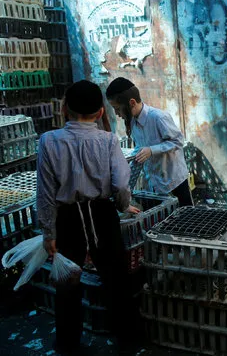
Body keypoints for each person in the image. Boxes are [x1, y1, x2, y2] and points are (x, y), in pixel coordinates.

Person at [37, 80, 140, 354]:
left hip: (67, 218)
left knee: (67, 282)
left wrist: (49, 232)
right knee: (116, 279)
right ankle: (128, 339)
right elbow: (120, 185)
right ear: (99, 113)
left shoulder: (48, 141)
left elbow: (45, 193)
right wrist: (122, 205)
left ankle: (68, 344)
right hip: (102, 213)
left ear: (64, 108)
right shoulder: (108, 140)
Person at [106, 77, 193, 206]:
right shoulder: (132, 122)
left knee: (185, 222)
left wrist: (152, 150)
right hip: (152, 185)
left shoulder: (158, 117)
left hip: (174, 182)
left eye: (117, 108)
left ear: (132, 102)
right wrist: (126, 186)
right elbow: (140, 151)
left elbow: (178, 141)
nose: (116, 113)